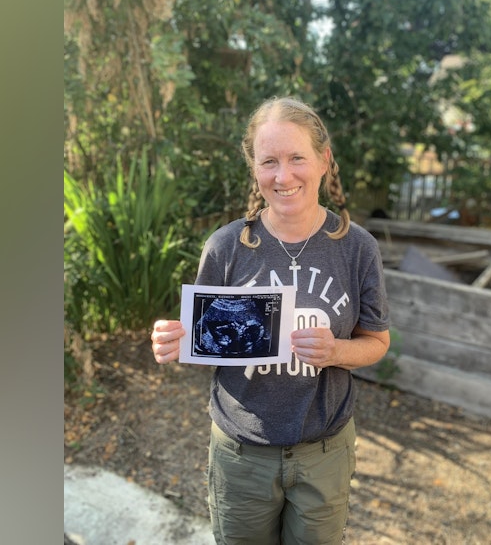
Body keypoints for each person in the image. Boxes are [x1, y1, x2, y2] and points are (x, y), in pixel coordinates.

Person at [151, 96, 391, 544]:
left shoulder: (357, 248)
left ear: (324, 160)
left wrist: (337, 351)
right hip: (241, 455)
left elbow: (377, 341)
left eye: (297, 157)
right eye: (269, 162)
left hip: (324, 452)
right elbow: (203, 340)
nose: (283, 176)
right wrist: (175, 341)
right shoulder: (227, 247)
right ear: (254, 169)